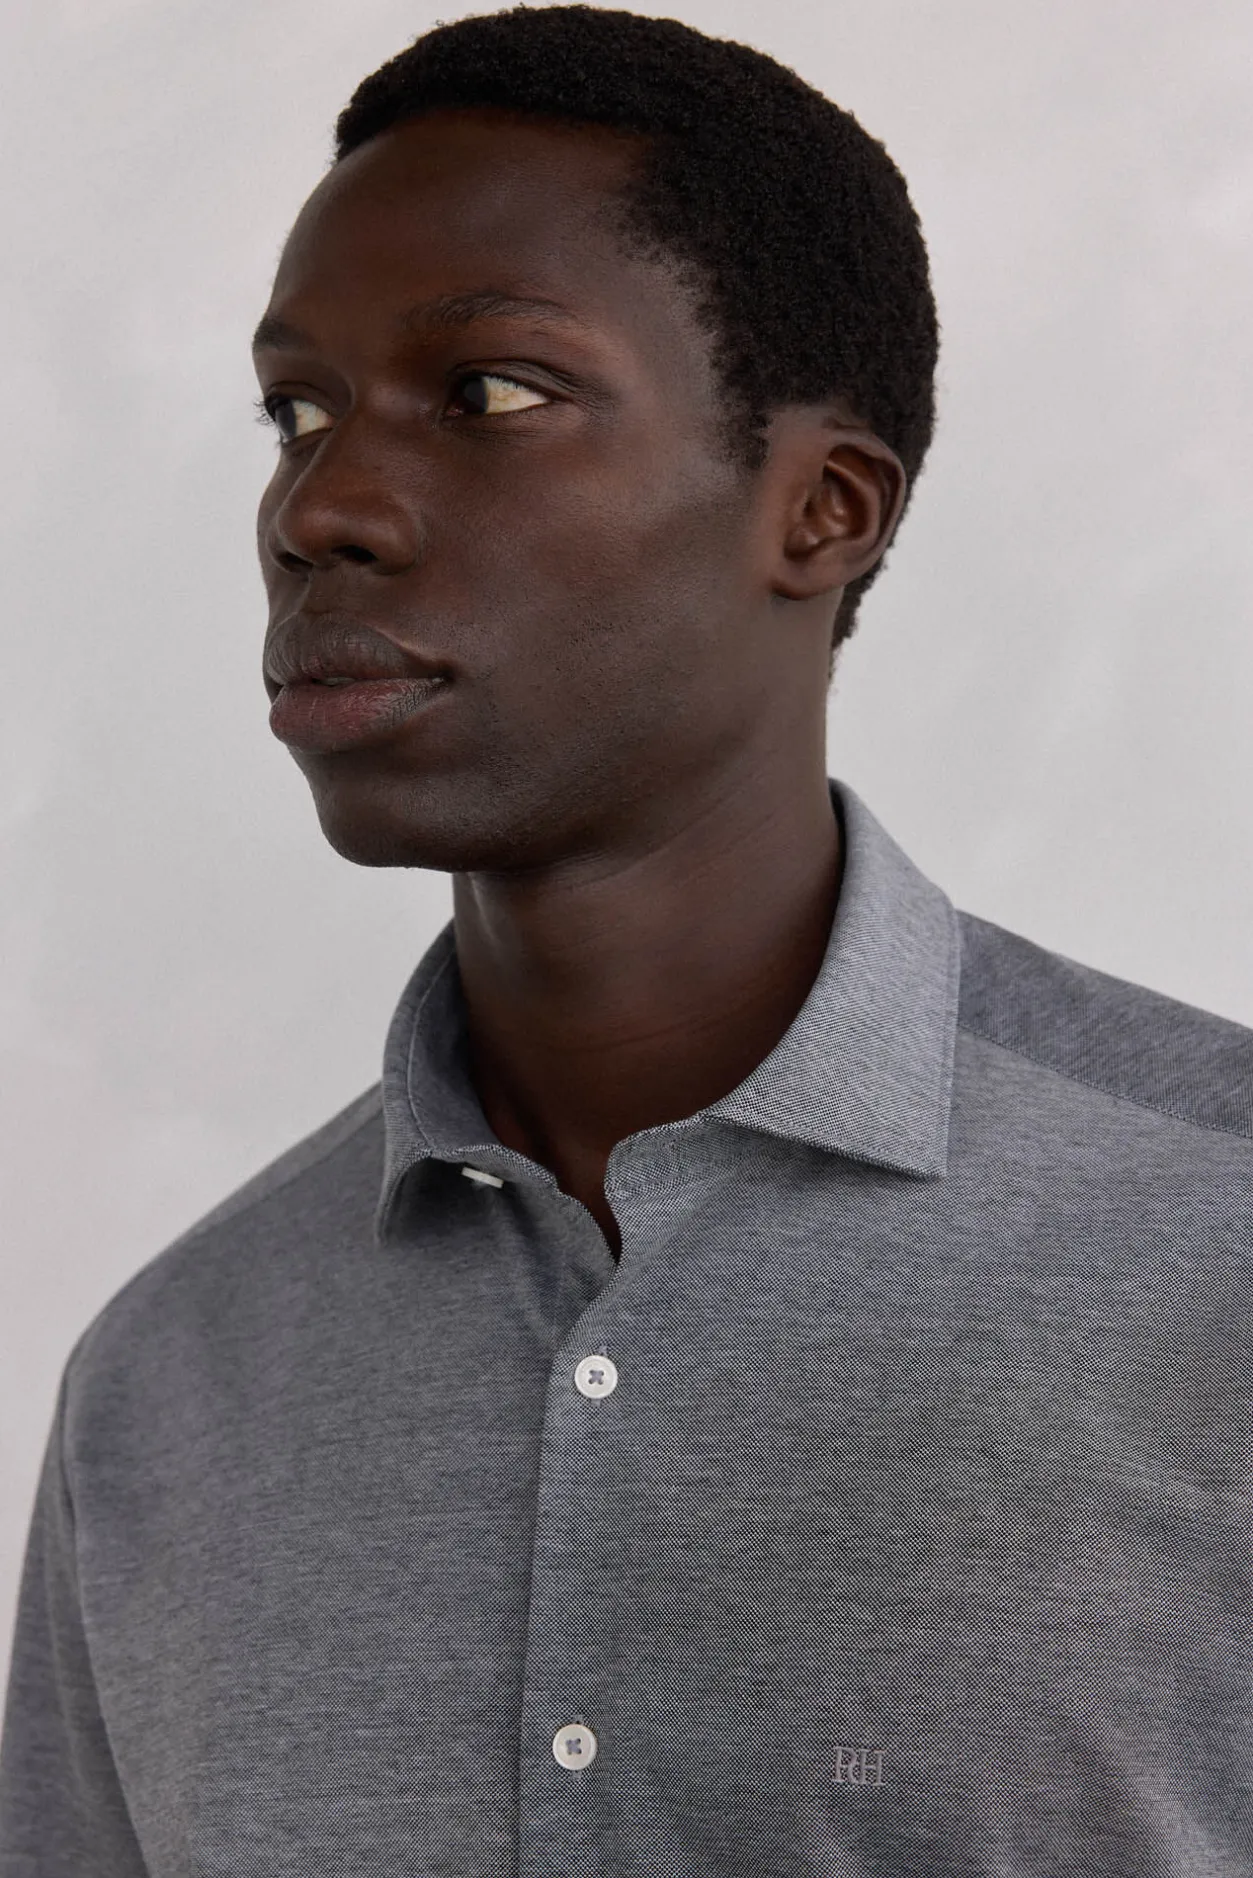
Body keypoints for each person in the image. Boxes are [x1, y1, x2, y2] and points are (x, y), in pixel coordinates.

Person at [2, 5, 1251, 1872]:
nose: (318, 506)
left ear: (821, 509)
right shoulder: (168, 1388)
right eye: (298, 412)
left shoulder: (1219, 1246)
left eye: (493, 393)